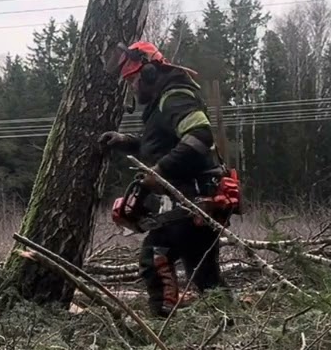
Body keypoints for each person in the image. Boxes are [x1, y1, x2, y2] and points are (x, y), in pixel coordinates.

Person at [99, 41, 242, 318]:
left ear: (151, 73)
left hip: (192, 201)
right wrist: (127, 142)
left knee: (155, 259)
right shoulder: (165, 100)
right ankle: (234, 325)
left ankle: (164, 326)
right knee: (204, 276)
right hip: (196, 201)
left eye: (134, 79)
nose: (132, 87)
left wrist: (160, 171)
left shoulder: (175, 96)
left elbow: (200, 135)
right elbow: (165, 144)